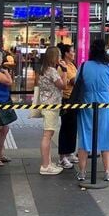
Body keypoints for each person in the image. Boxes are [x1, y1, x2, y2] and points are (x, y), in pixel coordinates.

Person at [75, 39, 109, 182]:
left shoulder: (84, 66)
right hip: (105, 102)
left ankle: (82, 172)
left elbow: (77, 84)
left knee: (85, 135)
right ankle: (107, 171)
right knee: (106, 134)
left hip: (87, 102)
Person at [37, 47, 66, 175]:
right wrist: (64, 71)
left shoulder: (44, 70)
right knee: (47, 135)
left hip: (46, 104)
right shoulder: (52, 71)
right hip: (51, 105)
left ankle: (48, 162)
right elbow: (63, 85)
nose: (60, 58)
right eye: (59, 55)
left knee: (48, 135)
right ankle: (45, 166)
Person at [57, 43, 79, 169]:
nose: (74, 53)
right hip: (67, 99)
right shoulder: (63, 66)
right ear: (66, 53)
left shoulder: (72, 65)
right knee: (66, 127)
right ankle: (62, 156)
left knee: (73, 127)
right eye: (72, 51)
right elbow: (73, 81)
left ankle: (69, 152)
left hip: (74, 99)